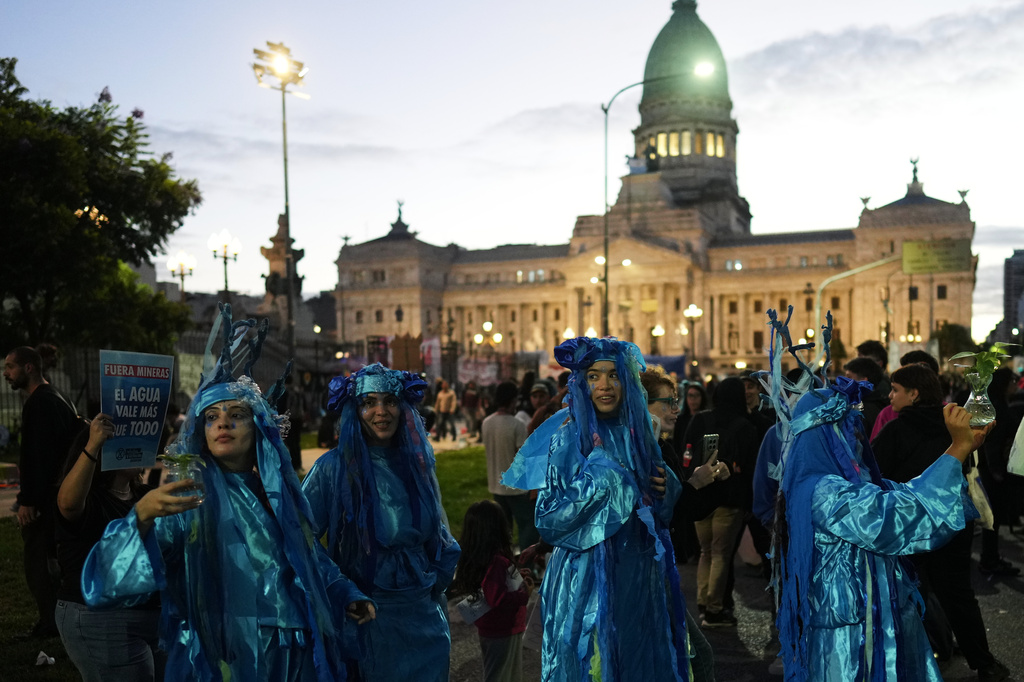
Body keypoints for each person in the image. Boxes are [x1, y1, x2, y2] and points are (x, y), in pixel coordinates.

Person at [83, 308, 374, 681]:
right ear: (201, 431)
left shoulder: (278, 496)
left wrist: (346, 593)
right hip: (228, 660)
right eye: (212, 416)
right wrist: (140, 518)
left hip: (294, 657)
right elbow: (109, 584)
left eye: (236, 414)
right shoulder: (188, 498)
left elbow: (311, 559)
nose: (223, 422)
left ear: (258, 429)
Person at [764, 313, 994, 682]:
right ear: (825, 435)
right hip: (850, 630)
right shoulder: (822, 489)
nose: (856, 436)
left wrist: (961, 449)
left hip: (866, 619)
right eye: (846, 428)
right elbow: (894, 515)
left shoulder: (834, 481)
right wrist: (955, 451)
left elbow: (897, 493)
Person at [502, 337, 691, 681]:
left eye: (613, 375)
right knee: (593, 665)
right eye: (593, 376)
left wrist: (666, 489)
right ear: (581, 383)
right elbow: (548, 520)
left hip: (638, 577)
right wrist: (604, 481)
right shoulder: (569, 437)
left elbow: (660, 515)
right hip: (585, 581)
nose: (604, 385)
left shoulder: (641, 434)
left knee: (637, 663)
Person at [303, 363, 461, 682]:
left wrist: (441, 570)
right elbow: (300, 538)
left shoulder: (416, 466)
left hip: (425, 617)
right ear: (354, 409)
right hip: (370, 617)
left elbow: (439, 532)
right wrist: (342, 590)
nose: (381, 412)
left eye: (390, 401)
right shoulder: (333, 468)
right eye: (369, 402)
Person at [873, 364, 1011, 681]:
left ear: (914, 393)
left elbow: (877, 476)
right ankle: (984, 663)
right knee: (958, 593)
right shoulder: (955, 425)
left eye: (895, 390)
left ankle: (922, 659)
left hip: (913, 525)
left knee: (907, 590)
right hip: (952, 520)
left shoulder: (896, 430)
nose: (890, 397)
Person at [55, 414, 165, 681]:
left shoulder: (144, 495)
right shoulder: (90, 500)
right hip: (101, 619)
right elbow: (68, 505)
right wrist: (92, 445)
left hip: (154, 619)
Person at [640, 366, 727, 682]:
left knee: (687, 656)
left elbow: (680, 508)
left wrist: (706, 482)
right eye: (668, 402)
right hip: (643, 571)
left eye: (677, 401)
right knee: (696, 656)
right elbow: (670, 510)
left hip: (657, 566)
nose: (676, 409)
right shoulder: (645, 450)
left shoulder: (658, 446)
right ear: (642, 404)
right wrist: (696, 484)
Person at [3, 345, 79, 638]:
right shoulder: (57, 396)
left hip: (46, 500)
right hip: (58, 496)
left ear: (29, 368)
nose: (7, 374)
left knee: (38, 564)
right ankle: (59, 619)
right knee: (55, 560)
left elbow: (37, 458)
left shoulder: (39, 403)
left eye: (10, 367)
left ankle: (51, 623)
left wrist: (28, 501)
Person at [682, 377, 760, 627]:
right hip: (730, 498)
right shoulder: (745, 426)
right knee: (721, 554)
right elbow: (750, 468)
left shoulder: (700, 419)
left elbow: (686, 451)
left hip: (699, 493)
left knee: (705, 552)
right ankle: (715, 609)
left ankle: (703, 603)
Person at [450, 500, 534, 682]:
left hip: (494, 629)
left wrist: (516, 574)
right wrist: (524, 594)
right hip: (503, 629)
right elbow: (497, 598)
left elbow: (494, 586)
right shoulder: (497, 562)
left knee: (505, 674)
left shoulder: (483, 558)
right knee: (501, 675)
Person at [482, 382, 536, 548]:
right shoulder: (517, 425)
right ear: (513, 400)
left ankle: (505, 563)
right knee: (528, 526)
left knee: (503, 531)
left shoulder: (486, 422)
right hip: (518, 489)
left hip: (496, 486)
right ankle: (525, 564)